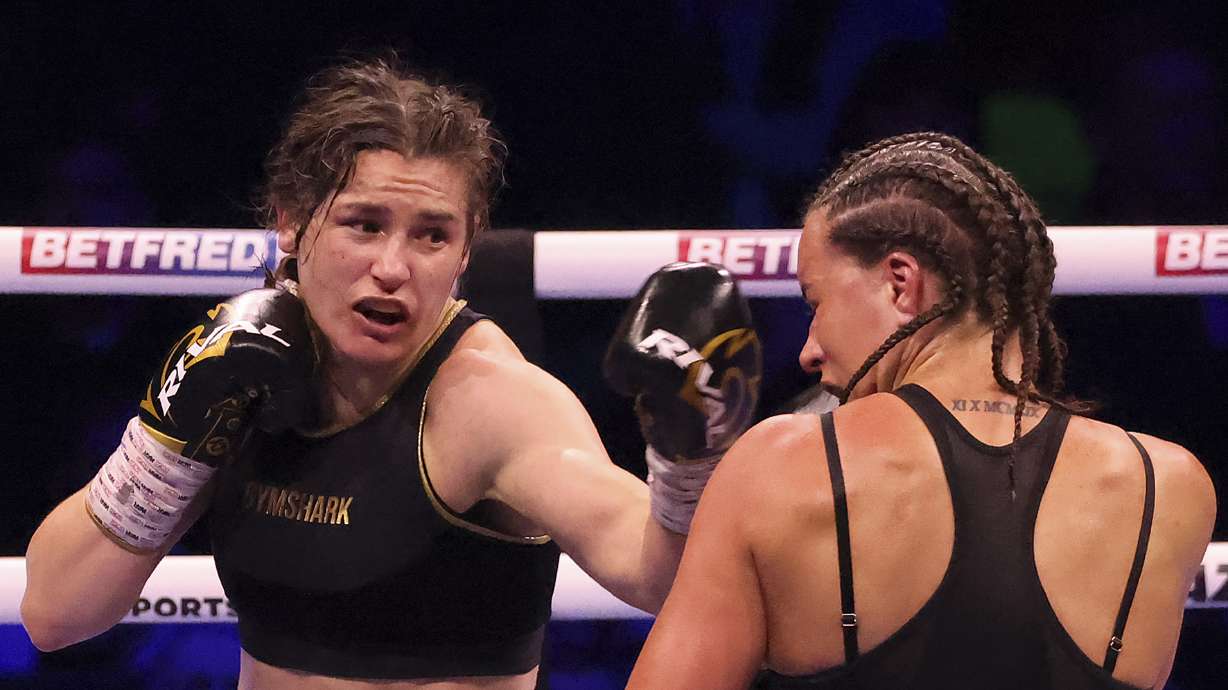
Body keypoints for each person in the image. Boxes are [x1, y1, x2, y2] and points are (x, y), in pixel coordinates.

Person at [20, 57, 761, 689]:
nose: (392, 268)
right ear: (291, 220)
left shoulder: (494, 403)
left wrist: (690, 457)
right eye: (364, 224)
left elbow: (657, 574)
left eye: (432, 235)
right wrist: (165, 440)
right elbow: (55, 613)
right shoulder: (238, 371)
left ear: (466, 251)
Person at [628, 132, 1216, 690]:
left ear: (900, 284)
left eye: (817, 301)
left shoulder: (784, 467)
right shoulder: (1168, 488)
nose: (808, 349)